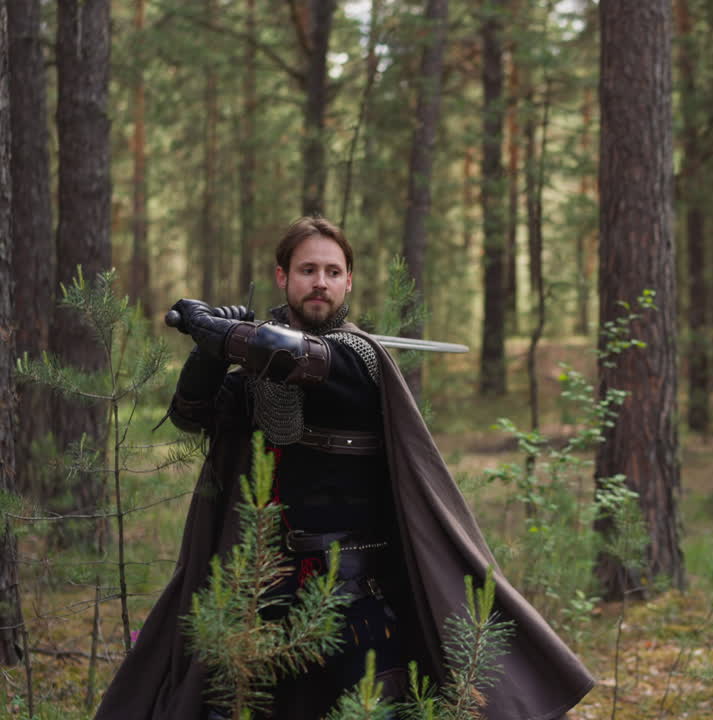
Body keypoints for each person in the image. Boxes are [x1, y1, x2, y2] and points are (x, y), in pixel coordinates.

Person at [94, 217, 594, 719]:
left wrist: (223, 331)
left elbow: (296, 359)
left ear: (349, 282)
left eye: (333, 272)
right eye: (308, 269)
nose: (320, 282)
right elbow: (191, 415)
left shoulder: (358, 358)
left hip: (355, 590)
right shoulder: (255, 372)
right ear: (282, 277)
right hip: (261, 586)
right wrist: (207, 353)